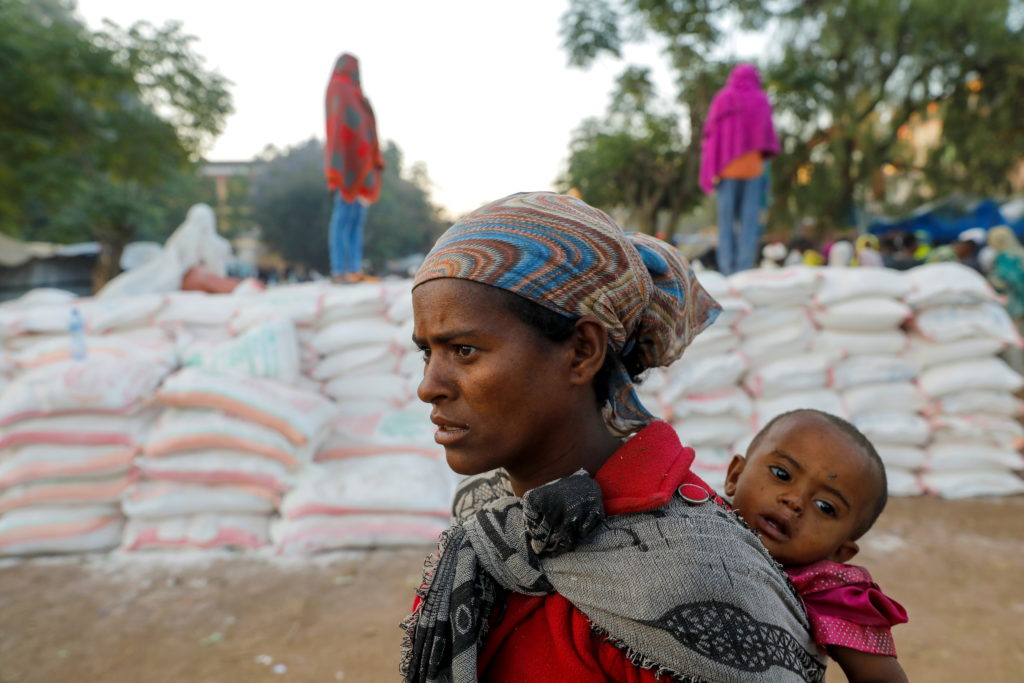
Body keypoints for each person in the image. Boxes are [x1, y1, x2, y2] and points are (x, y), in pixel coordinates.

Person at [401, 191, 828, 682]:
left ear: (582, 350)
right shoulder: (489, 519)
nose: (428, 386)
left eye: (464, 350)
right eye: (426, 354)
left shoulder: (693, 571)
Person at [724, 409, 909, 683]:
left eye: (825, 506)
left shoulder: (826, 590)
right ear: (735, 476)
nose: (795, 501)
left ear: (839, 553)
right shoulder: (689, 517)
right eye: (782, 474)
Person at [699, 63, 780, 276]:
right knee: (749, 221)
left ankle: (727, 268)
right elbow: (767, 135)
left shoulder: (723, 98)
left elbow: (710, 134)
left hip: (727, 169)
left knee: (725, 221)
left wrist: (712, 163)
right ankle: (743, 269)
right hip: (753, 169)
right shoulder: (760, 99)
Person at [324, 53, 384, 284]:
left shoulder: (356, 93)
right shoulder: (339, 87)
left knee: (357, 218)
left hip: (362, 163)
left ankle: (355, 269)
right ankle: (340, 270)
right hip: (347, 163)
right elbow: (340, 126)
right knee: (343, 216)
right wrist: (343, 163)